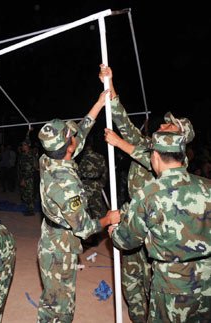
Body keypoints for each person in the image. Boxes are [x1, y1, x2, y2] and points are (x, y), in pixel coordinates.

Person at [100, 64, 196, 323]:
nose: (164, 124)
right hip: (134, 221)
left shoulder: (178, 163)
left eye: (171, 126)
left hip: (158, 230)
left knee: (156, 288)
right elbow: (122, 120)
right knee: (132, 285)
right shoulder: (146, 143)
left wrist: (119, 143)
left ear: (181, 138)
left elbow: (146, 158)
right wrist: (110, 83)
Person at [37, 89, 121, 322]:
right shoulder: (67, 185)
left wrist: (98, 104)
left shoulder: (46, 159)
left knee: (50, 298)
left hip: (49, 236)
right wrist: (108, 219)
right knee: (62, 307)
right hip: (60, 248)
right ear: (70, 148)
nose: (76, 137)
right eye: (71, 137)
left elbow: (80, 134)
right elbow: (83, 229)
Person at [109, 132, 211, 322]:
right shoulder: (207, 186)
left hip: (171, 286)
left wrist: (114, 232)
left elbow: (127, 241)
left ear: (155, 156)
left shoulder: (148, 195)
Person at [77, 134, 108, 246]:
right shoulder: (99, 157)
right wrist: (100, 184)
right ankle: (95, 237)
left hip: (83, 185)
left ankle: (82, 237)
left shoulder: (80, 157)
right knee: (96, 211)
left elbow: (77, 173)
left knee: (82, 211)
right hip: (95, 185)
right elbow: (105, 172)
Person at [17, 128, 38, 216]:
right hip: (23, 177)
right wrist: (28, 132)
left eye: (24, 145)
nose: (22, 147)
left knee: (29, 195)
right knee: (25, 194)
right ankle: (29, 208)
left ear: (27, 146)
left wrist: (24, 180)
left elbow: (29, 169)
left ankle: (31, 210)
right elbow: (26, 139)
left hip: (28, 178)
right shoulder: (24, 155)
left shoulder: (29, 156)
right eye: (22, 145)